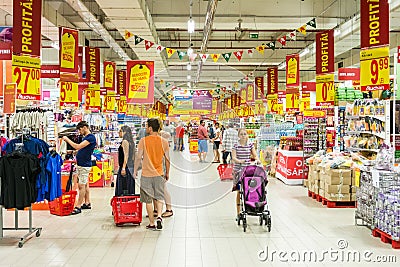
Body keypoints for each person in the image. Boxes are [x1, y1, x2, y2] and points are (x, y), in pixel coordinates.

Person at [134, 118, 170, 230]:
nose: (145, 128)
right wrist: (167, 172)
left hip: (146, 175)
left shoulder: (143, 141)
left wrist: (135, 170)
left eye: (146, 126)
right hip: (159, 173)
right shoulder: (164, 142)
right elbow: (167, 159)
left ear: (150, 128)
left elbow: (139, 157)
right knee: (159, 196)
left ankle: (152, 223)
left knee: (148, 200)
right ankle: (159, 216)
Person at [63, 121, 97, 215]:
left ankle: (78, 206)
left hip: (85, 165)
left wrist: (67, 139)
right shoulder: (86, 138)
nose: (79, 131)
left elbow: (77, 146)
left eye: (80, 129)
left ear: (85, 127)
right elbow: (82, 149)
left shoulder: (90, 137)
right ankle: (87, 202)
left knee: (81, 185)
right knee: (85, 184)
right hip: (82, 163)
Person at [231, 129, 260, 220]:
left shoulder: (250, 144)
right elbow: (233, 157)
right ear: (238, 136)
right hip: (238, 170)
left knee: (250, 189)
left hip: (248, 170)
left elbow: (254, 155)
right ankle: (238, 212)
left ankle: (251, 207)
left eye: (245, 134)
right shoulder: (235, 145)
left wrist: (257, 159)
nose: (243, 136)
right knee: (239, 191)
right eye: (241, 134)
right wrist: (239, 161)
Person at [115, 125, 136, 196]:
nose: (119, 133)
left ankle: (124, 203)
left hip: (126, 168)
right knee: (129, 187)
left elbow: (126, 155)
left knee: (123, 188)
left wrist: (123, 168)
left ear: (125, 132)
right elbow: (133, 155)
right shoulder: (131, 142)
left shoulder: (125, 142)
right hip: (130, 167)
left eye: (120, 131)